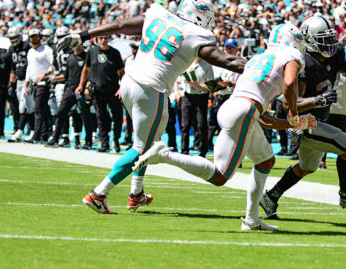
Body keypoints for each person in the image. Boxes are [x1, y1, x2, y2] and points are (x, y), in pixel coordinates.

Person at [56, 0, 246, 215]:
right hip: (151, 88)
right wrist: (262, 67)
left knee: (148, 141)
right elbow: (228, 60)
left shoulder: (159, 13)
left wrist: (83, 35)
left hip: (129, 81)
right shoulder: (198, 34)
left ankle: (136, 194)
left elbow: (120, 24)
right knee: (142, 147)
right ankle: (99, 193)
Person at [134, 23, 316, 231]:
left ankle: (251, 219)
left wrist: (291, 124)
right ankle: (164, 155)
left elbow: (262, 117)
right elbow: (290, 82)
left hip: (235, 108)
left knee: (266, 161)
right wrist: (293, 114)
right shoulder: (290, 55)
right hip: (243, 112)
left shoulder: (258, 59)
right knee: (220, 176)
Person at [259, 14, 346, 219]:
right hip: (304, 122)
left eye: (331, 38)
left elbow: (342, 69)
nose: (330, 43)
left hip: (318, 120)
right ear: (310, 41)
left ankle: (271, 196)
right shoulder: (302, 62)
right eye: (324, 39)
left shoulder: (337, 52)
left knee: (306, 167)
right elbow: (289, 104)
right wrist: (318, 100)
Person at [77, 35, 125, 153]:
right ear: (97, 40)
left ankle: (116, 140)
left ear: (108, 40)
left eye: (105, 38)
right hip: (98, 91)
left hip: (114, 90)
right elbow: (86, 69)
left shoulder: (115, 53)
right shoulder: (92, 51)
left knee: (117, 117)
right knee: (101, 118)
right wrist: (81, 85)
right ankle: (104, 144)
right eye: (101, 38)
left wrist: (122, 87)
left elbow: (121, 72)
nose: (103, 41)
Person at [46, 40, 91, 149]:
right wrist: (55, 78)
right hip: (70, 89)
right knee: (61, 113)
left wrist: (86, 88)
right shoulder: (70, 57)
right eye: (76, 44)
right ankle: (55, 138)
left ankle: (87, 141)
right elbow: (66, 75)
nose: (79, 46)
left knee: (85, 116)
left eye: (80, 44)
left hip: (81, 91)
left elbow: (91, 75)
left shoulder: (87, 57)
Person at [178, 57, 213, 156]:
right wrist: (180, 92)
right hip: (187, 96)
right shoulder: (187, 62)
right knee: (185, 125)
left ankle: (203, 151)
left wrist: (197, 85)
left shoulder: (207, 65)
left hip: (201, 97)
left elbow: (210, 86)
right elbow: (179, 79)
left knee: (201, 125)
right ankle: (184, 152)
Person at [24, 28, 53, 144]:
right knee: (42, 110)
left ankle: (36, 135)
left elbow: (54, 66)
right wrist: (26, 84)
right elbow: (29, 68)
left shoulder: (47, 50)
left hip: (43, 83)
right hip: (33, 84)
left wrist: (45, 74)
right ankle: (44, 135)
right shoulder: (30, 51)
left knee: (38, 110)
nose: (34, 38)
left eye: (36, 36)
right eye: (32, 37)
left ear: (40, 37)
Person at [8, 27, 34, 142]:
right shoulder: (12, 49)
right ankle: (33, 131)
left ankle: (19, 132)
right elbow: (13, 68)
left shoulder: (27, 46)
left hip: (28, 79)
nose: (13, 40)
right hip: (18, 80)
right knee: (28, 107)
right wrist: (11, 83)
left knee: (23, 106)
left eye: (15, 37)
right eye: (11, 38)